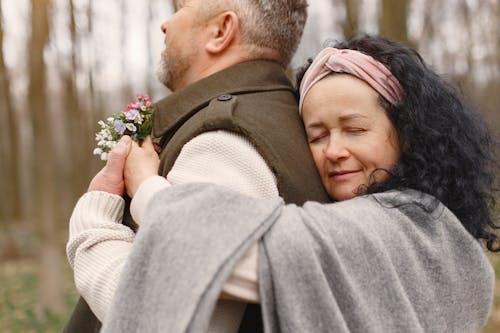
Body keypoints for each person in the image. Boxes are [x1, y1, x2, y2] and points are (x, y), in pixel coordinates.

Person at [69, 34, 498, 332]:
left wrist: (124, 200)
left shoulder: (399, 225)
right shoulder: (441, 229)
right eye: (317, 135)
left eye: (354, 128)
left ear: (407, 132)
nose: (333, 151)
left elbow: (218, 259)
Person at [65, 1, 330, 332]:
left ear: (220, 31)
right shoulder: (277, 113)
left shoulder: (224, 140)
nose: (166, 24)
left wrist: (93, 224)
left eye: (180, 7)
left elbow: (168, 320)